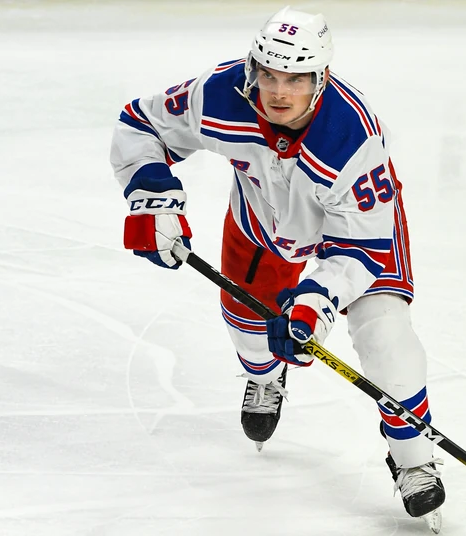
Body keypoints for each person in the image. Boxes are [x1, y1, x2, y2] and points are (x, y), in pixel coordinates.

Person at [111, 6, 445, 520]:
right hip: (260, 224)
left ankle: (415, 460)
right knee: (250, 333)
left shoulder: (351, 138)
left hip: (356, 239)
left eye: (296, 78)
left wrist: (317, 302)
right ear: (253, 69)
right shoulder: (221, 94)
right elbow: (142, 123)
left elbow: (360, 250)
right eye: (269, 74)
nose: (279, 92)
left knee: (386, 339)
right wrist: (153, 197)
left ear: (321, 78)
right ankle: (266, 376)